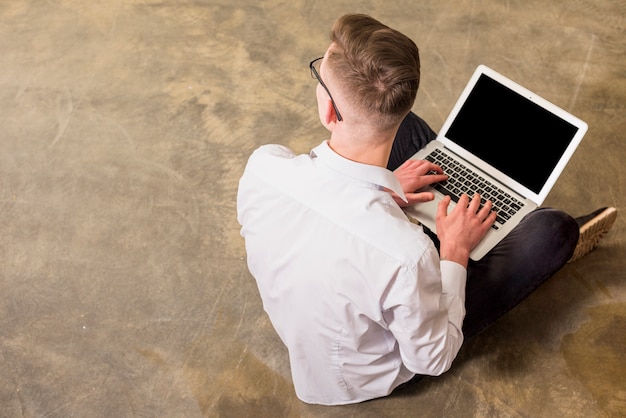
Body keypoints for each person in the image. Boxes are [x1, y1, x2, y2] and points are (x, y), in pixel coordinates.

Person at [236, 13, 617, 405]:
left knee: (412, 135)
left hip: (346, 292)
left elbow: (330, 216)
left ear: (330, 112)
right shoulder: (411, 254)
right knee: (555, 229)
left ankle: (486, 205)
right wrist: (453, 253)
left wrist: (386, 188)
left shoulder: (263, 166)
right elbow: (433, 358)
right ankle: (520, 227)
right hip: (362, 372)